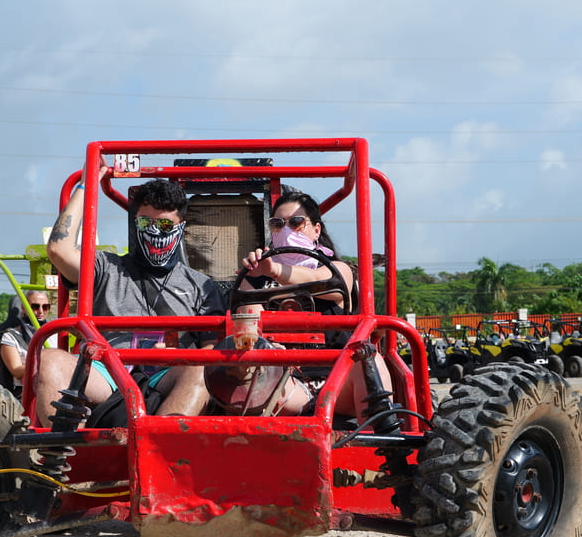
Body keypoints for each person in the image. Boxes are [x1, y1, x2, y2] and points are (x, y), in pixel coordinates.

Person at [34, 167, 226, 424]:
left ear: (182, 228)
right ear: (136, 224)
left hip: (167, 374)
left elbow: (211, 347)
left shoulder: (200, 285)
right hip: (109, 372)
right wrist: (87, 184)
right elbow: (59, 249)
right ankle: (69, 456)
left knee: (204, 369)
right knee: (49, 360)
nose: (156, 232)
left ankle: (160, 452)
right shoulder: (107, 267)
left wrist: (177, 354)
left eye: (165, 224)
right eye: (147, 223)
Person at [232, 190, 391, 422]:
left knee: (370, 360)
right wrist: (258, 273)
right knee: (251, 372)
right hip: (287, 382)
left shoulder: (339, 270)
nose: (286, 230)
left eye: (296, 222)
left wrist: (275, 270)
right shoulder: (255, 278)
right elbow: (250, 329)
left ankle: (380, 446)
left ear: (316, 229)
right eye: (277, 224)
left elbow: (322, 283)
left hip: (339, 381)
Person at [0, 291, 52, 396]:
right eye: (35, 306)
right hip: (23, 393)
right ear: (24, 308)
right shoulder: (11, 336)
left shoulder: (55, 334)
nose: (41, 311)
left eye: (45, 307)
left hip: (52, 388)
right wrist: (47, 365)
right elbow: (16, 370)